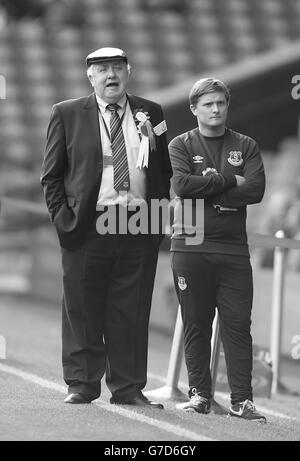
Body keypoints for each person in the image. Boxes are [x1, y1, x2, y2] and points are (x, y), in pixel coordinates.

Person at [40, 47, 172, 408]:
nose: (111, 75)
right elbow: (51, 176)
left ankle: (128, 387)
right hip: (88, 223)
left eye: (117, 68)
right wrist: (64, 221)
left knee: (131, 309)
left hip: (138, 223)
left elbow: (163, 171)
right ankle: (82, 383)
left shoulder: (153, 112)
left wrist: (156, 221)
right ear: (90, 76)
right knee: (82, 305)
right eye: (102, 70)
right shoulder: (66, 113)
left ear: (129, 71)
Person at [168, 78, 266, 422]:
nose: (215, 109)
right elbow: (181, 186)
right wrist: (227, 181)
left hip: (233, 248)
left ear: (227, 106)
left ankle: (242, 401)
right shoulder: (180, 145)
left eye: (220, 103)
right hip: (190, 244)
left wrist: (208, 189)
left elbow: (255, 191)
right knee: (197, 323)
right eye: (207, 104)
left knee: (237, 324)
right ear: (194, 109)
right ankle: (199, 395)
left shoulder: (246, 145)